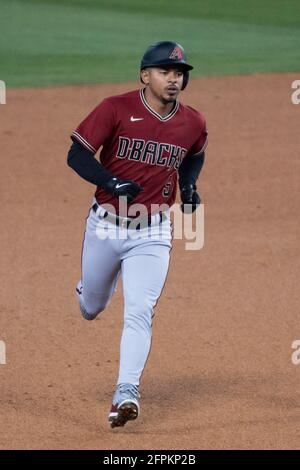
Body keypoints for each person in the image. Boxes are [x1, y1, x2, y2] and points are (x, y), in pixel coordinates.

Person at [67, 41, 208, 428]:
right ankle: (90, 289)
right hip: (106, 225)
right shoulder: (115, 108)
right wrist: (108, 179)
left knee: (140, 312)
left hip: (153, 231)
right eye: (165, 72)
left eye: (179, 73)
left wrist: (190, 187)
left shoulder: (193, 121)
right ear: (145, 75)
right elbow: (76, 154)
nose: (174, 79)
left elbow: (194, 153)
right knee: (91, 308)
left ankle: (125, 391)